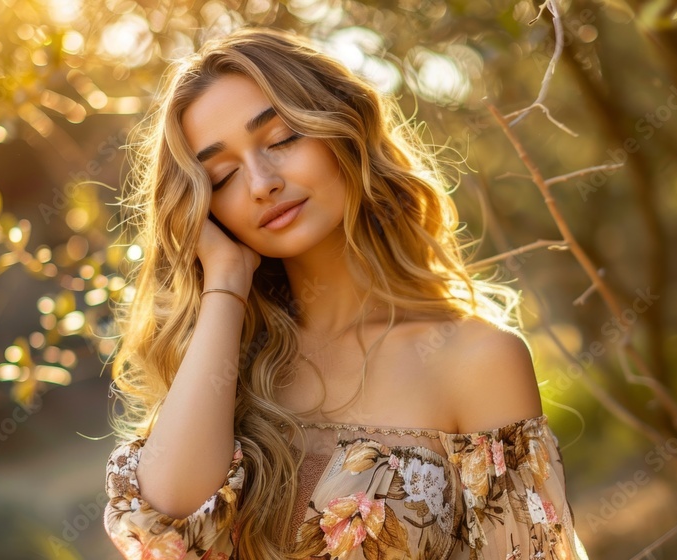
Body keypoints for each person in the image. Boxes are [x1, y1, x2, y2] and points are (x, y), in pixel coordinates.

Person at [102, 26, 589, 560]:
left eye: (283, 139)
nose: (262, 181)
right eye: (221, 176)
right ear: (204, 207)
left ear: (343, 129)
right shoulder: (229, 364)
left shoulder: (476, 361)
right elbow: (168, 530)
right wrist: (225, 283)